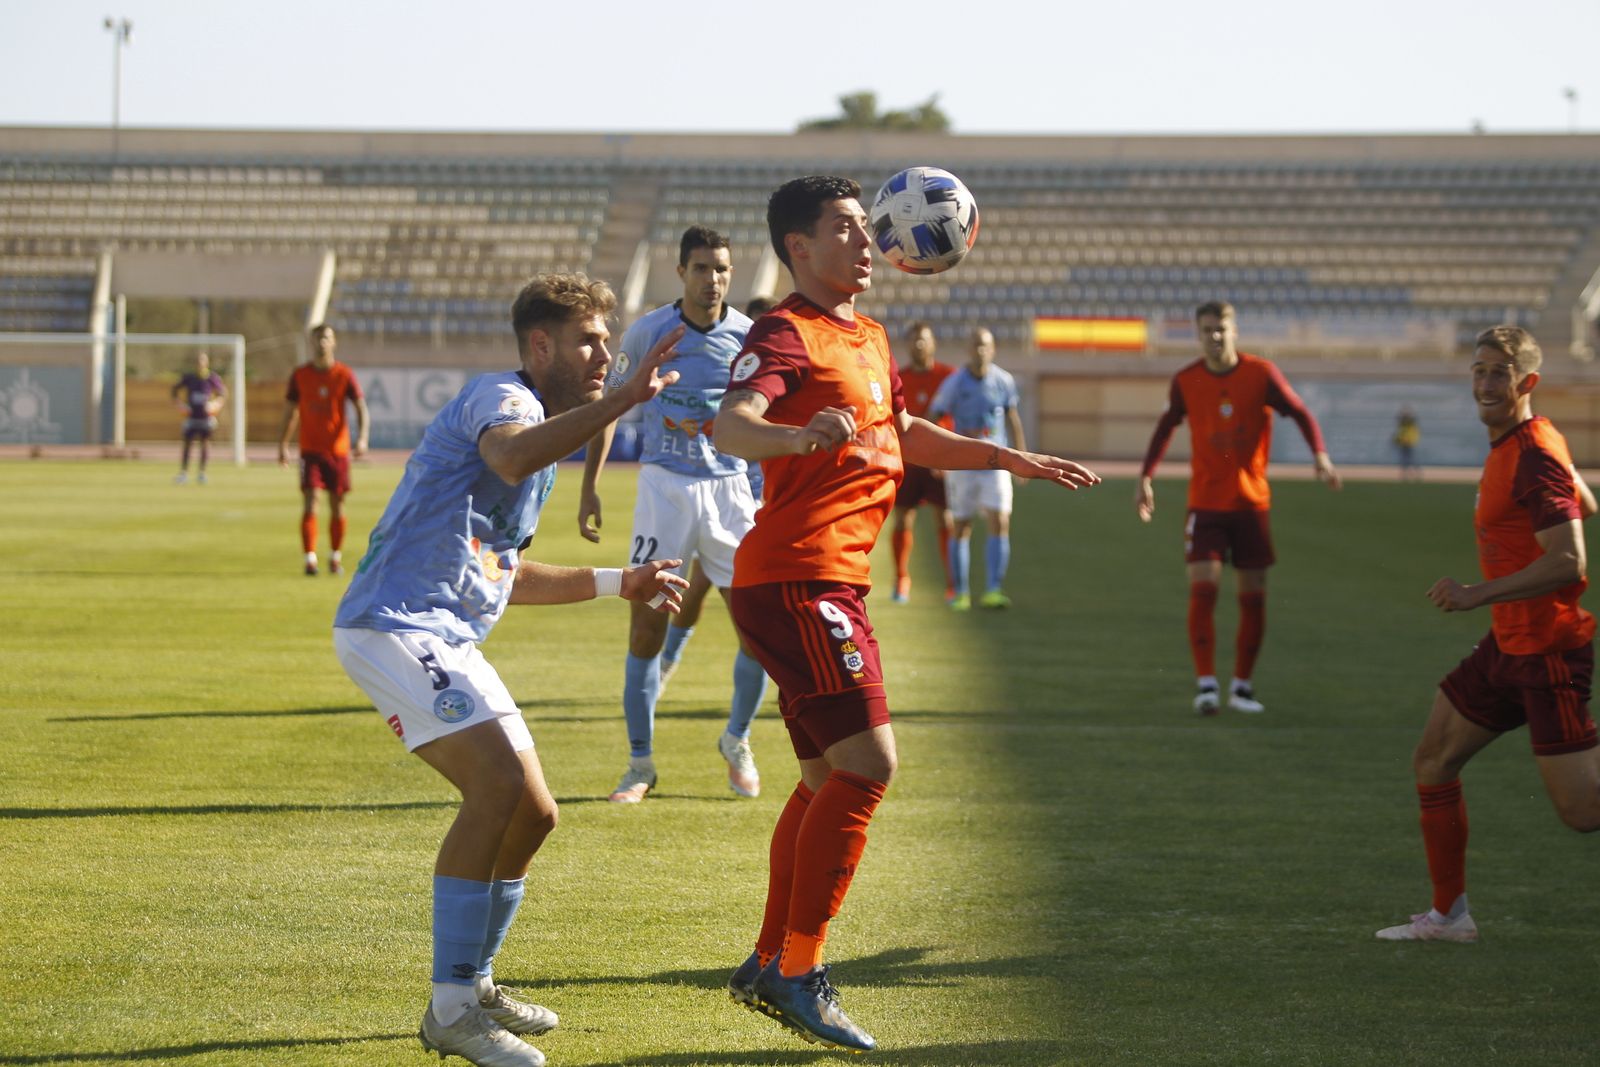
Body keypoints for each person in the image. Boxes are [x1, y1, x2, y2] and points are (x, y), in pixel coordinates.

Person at [713, 175, 1101, 1052]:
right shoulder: (785, 329)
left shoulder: (871, 336)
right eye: (848, 227)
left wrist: (1010, 457)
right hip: (800, 580)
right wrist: (794, 436)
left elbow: (900, 431)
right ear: (798, 248)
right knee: (869, 765)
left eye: (869, 226)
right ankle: (796, 969)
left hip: (824, 584)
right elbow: (732, 424)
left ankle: (771, 955)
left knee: (822, 781)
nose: (868, 240)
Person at [333, 273, 689, 1067]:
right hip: (393, 625)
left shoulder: (546, 431)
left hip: (447, 637)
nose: (605, 351)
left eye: (608, 339)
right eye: (589, 339)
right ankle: (451, 1007)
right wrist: (625, 399)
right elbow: (509, 452)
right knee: (493, 789)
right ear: (541, 345)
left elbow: (506, 575)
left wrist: (617, 582)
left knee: (534, 812)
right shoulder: (509, 400)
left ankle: (477, 980)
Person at [1376, 326, 1600, 943]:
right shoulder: (1527, 441)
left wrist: (1476, 593)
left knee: (1584, 814)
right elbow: (1580, 499)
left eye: (1499, 373)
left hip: (1548, 649)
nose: (1485, 383)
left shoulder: (1531, 453)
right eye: (1478, 370)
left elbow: (1569, 561)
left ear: (1526, 383)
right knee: (1433, 759)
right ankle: (1450, 917)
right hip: (1508, 646)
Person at [578, 226, 769, 803]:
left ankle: (736, 740)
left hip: (732, 493)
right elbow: (612, 404)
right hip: (664, 490)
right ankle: (640, 765)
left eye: (722, 270)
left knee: (759, 633)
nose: (713, 280)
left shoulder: (750, 337)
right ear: (682, 272)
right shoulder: (650, 331)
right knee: (645, 629)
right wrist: (589, 484)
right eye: (703, 268)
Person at [1135, 300, 1341, 715]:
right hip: (1206, 504)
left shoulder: (1260, 374)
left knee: (1253, 598)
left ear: (1234, 331)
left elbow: (1300, 412)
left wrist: (1319, 454)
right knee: (1204, 588)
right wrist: (1145, 477)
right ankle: (1207, 685)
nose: (1215, 337)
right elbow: (1164, 427)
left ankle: (1242, 687)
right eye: (1207, 330)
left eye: (1221, 329)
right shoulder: (1186, 380)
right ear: (1198, 334)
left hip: (1250, 503)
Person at [926, 326, 1022, 610]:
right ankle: (961, 593)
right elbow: (933, 416)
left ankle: (993, 589)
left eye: (986, 345)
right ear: (968, 349)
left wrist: (1022, 457)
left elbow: (1012, 418)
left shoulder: (1004, 381)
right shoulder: (955, 383)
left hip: (996, 465)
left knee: (1000, 522)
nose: (981, 350)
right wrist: (935, 454)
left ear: (993, 349)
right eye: (976, 345)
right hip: (962, 466)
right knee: (961, 526)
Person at [277, 324, 370, 576]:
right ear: (312, 343)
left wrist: (361, 438)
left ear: (334, 342)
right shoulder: (300, 375)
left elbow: (361, 407)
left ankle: (335, 557)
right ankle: (310, 558)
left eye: (326, 338)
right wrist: (283, 444)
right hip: (310, 450)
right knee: (311, 501)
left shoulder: (344, 374)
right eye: (317, 338)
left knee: (338, 504)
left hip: (338, 450)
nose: (321, 343)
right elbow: (289, 412)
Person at [886, 321, 956, 604]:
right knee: (903, 519)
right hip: (907, 463)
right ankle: (902, 578)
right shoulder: (898, 378)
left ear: (933, 343)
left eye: (923, 339)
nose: (919, 345)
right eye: (914, 340)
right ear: (907, 345)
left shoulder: (948, 377)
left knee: (946, 520)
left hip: (939, 463)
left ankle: (953, 583)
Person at [171, 350, 226, 485]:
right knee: (187, 444)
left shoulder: (212, 378)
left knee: (205, 444)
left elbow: (222, 393)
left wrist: (215, 405)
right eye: (198, 361)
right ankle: (183, 473)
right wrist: (180, 405)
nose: (200, 364)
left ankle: (202, 473)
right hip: (192, 417)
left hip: (206, 418)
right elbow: (174, 390)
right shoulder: (189, 378)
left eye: (202, 361)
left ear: (206, 363)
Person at [1394, 406, 1422, 481]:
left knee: (1411, 459)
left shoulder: (1411, 424)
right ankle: (1405, 474)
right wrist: (1398, 440)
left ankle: (1416, 473)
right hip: (1403, 443)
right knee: (1404, 459)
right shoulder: (1402, 424)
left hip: (1409, 443)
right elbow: (1399, 434)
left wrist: (1411, 441)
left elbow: (1414, 434)